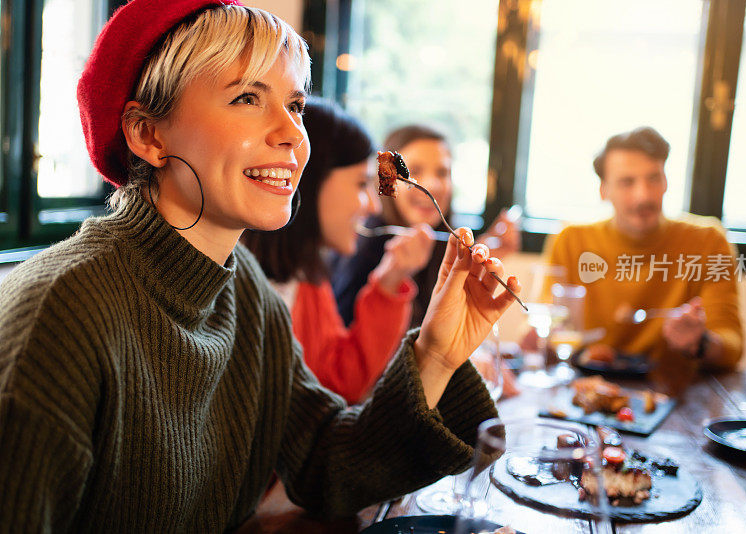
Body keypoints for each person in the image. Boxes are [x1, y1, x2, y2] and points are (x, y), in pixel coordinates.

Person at [0, 2, 521, 532]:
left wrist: (434, 352)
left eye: (295, 104)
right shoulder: (60, 313)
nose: (293, 135)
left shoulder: (243, 288)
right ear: (147, 135)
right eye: (247, 97)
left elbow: (325, 461)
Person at [240, 97, 435, 404]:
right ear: (311, 179)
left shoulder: (307, 276)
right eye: (361, 184)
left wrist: (390, 280)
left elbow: (339, 380)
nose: (372, 204)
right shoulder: (254, 292)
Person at [540, 126, 743, 372]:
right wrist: (537, 337)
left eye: (653, 178)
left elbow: (732, 343)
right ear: (604, 190)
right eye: (627, 182)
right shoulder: (571, 240)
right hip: (587, 385)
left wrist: (700, 341)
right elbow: (546, 323)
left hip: (673, 392)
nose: (643, 196)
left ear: (666, 181)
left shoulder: (708, 241)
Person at [330, 124, 521, 329]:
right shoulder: (363, 249)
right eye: (414, 171)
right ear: (386, 179)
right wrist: (391, 280)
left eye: (442, 172)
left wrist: (470, 268)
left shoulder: (440, 245)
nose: (432, 185)